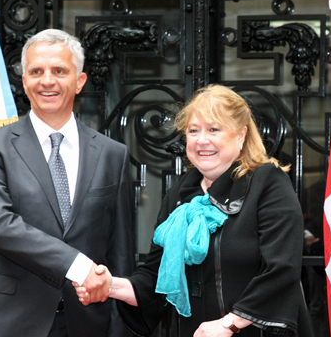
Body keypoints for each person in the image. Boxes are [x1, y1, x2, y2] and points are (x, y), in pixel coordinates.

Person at [75, 84, 313, 336]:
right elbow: (155, 277)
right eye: (193, 130)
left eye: (214, 129)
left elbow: (281, 269)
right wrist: (109, 286)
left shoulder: (268, 182)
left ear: (241, 135)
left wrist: (229, 324)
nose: (202, 140)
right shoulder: (180, 194)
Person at [0, 29, 134, 337]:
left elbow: (120, 250)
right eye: (36, 71)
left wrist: (120, 325)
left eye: (59, 71)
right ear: (25, 81)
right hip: (8, 322)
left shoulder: (113, 154)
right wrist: (79, 266)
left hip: (87, 323)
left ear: (79, 81)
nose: (47, 81)